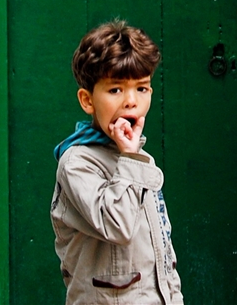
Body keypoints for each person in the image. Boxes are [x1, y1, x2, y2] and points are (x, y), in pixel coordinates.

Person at [51, 20, 183, 304]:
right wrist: (129, 158)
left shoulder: (139, 159)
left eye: (142, 89)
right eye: (115, 90)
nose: (131, 101)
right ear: (87, 100)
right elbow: (117, 226)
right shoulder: (77, 163)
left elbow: (164, 253)